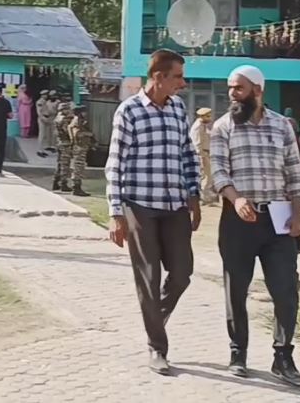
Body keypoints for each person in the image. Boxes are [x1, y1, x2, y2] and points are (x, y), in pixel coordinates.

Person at [104, 49, 201, 376]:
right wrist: (116, 213)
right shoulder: (128, 112)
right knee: (149, 277)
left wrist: (194, 195)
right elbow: (116, 164)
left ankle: (154, 317)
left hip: (174, 205)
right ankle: (157, 347)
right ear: (158, 77)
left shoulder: (177, 109)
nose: (183, 83)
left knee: (183, 272)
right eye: (177, 76)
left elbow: (187, 153)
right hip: (139, 206)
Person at [209, 64, 300, 384]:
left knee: (286, 290)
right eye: (230, 88)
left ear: (258, 91)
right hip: (238, 220)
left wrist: (298, 216)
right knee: (236, 290)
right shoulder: (222, 127)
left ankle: (283, 356)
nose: (232, 94)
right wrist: (236, 199)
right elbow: (219, 172)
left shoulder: (282, 127)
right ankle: (238, 353)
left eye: (239, 88)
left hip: (278, 219)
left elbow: (294, 172)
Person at [190, 107, 217, 205]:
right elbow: (197, 144)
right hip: (202, 154)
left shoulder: (203, 126)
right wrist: (202, 157)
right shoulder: (198, 127)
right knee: (206, 177)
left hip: (206, 153)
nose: (210, 118)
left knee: (208, 176)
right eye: (208, 116)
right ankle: (204, 198)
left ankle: (205, 197)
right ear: (202, 116)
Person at [67, 105, 94, 197]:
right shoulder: (77, 121)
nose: (85, 113)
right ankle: (76, 188)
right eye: (84, 111)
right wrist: (88, 134)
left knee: (79, 167)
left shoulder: (79, 121)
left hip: (81, 146)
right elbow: (77, 134)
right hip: (79, 147)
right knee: (78, 167)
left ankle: (77, 187)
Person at [52, 101, 73, 192]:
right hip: (65, 143)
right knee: (65, 164)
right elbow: (67, 131)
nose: (69, 111)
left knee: (60, 163)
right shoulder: (63, 119)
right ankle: (63, 184)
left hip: (59, 142)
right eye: (67, 109)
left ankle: (56, 182)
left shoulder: (57, 118)